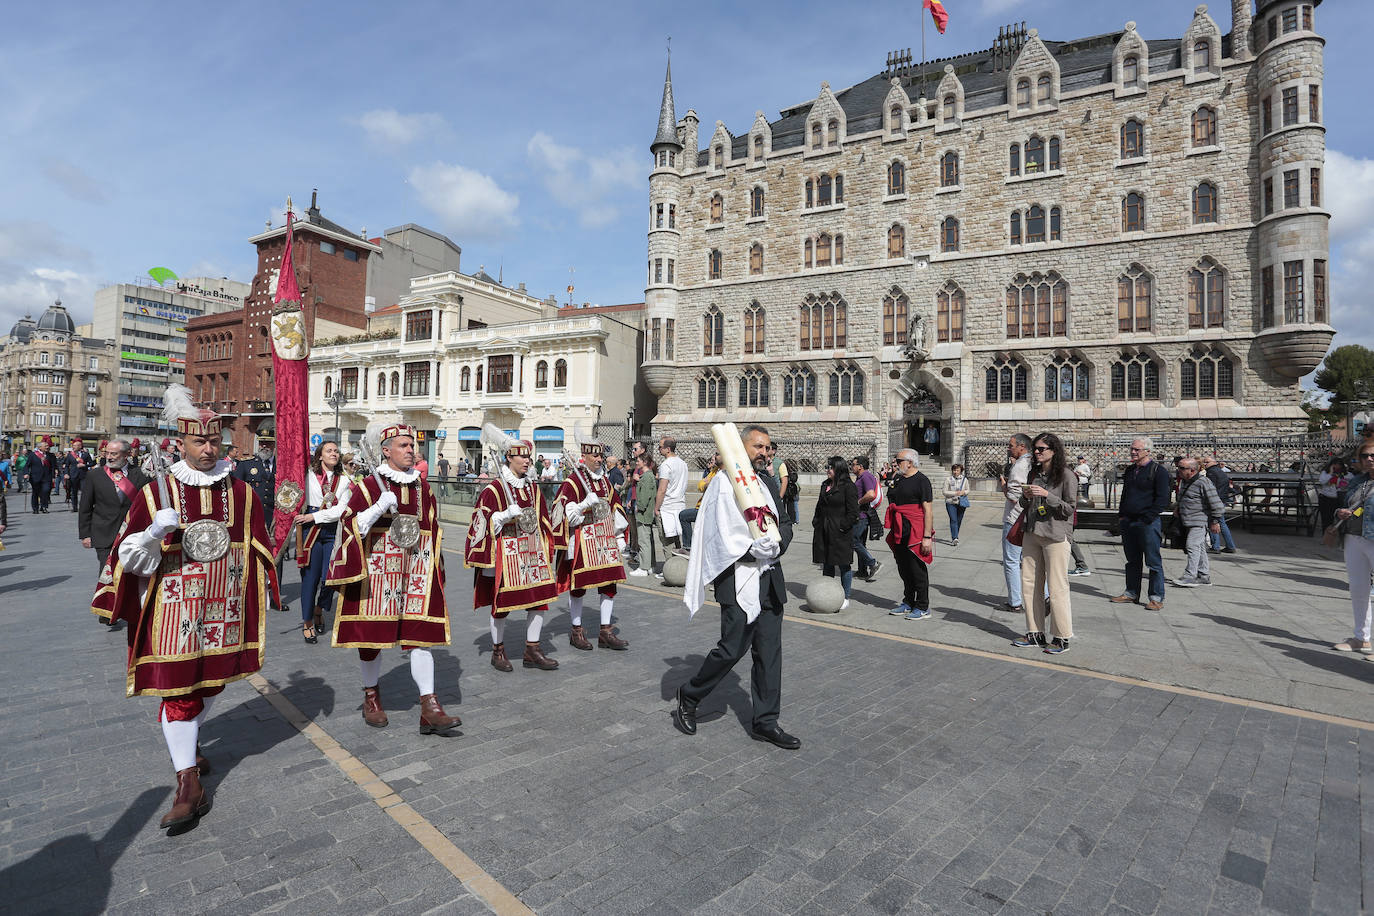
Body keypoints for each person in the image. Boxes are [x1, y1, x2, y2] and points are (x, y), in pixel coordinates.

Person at [90, 385, 279, 831]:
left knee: (211, 685)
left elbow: (259, 546)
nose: (209, 449)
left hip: (226, 610)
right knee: (179, 693)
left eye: (215, 441)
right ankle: (187, 784)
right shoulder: (157, 492)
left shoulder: (243, 492)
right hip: (175, 612)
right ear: (181, 443)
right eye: (199, 441)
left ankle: (187, 748)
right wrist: (154, 533)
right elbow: (127, 557)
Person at [328, 422, 461, 732]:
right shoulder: (368, 487)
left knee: (421, 636)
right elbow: (350, 528)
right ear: (385, 451)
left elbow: (432, 531)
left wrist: (436, 570)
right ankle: (371, 696)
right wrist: (376, 508)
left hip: (414, 572)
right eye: (404, 445)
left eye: (412, 445)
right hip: (378, 574)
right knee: (371, 637)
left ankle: (430, 705)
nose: (411, 450)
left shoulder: (423, 488)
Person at [676, 423, 799, 749]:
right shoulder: (721, 485)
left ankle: (766, 721)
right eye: (759, 446)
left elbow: (784, 523)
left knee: (769, 654)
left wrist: (775, 545)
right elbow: (718, 534)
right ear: (740, 448)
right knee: (732, 649)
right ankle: (690, 695)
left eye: (768, 447)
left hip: (770, 577)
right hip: (737, 577)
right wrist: (749, 550)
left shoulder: (767, 483)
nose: (765, 452)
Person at [463, 425, 561, 672]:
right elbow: (481, 521)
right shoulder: (494, 489)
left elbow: (543, 518)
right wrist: (504, 516)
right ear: (509, 457)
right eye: (523, 456)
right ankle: (498, 651)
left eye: (529, 456)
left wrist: (546, 546)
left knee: (539, 600)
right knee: (502, 604)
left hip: (531, 551)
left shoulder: (532, 487)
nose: (528, 461)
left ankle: (532, 648)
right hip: (506, 554)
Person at [553, 432, 630, 651]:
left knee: (609, 583)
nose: (599, 460)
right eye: (595, 457)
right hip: (582, 542)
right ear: (584, 456)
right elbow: (562, 512)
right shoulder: (573, 482)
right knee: (579, 586)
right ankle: (576, 630)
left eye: (600, 457)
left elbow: (615, 508)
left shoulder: (605, 482)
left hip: (604, 540)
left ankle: (605, 631)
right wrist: (583, 505)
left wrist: (619, 536)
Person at [1012, 433, 1078, 654]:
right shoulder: (1034, 473)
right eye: (1035, 449)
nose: (1037, 453)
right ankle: (1035, 632)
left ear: (1053, 450)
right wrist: (1027, 495)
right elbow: (1022, 503)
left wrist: (1047, 495)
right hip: (1032, 531)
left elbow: (1069, 509)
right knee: (1029, 583)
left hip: (1055, 535)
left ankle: (1061, 636)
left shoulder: (1067, 475)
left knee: (1057, 586)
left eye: (1041, 449)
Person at [78, 439, 149, 627]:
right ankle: (107, 609)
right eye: (107, 453)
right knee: (107, 570)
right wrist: (85, 534)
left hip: (133, 533)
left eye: (114, 454)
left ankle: (129, 607)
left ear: (127, 455)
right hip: (103, 532)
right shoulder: (95, 475)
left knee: (131, 572)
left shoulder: (141, 474)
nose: (108, 457)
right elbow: (85, 506)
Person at [292, 441, 352, 644]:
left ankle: (320, 607)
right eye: (329, 450)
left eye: (336, 451)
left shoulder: (343, 481)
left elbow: (341, 509)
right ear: (320, 455)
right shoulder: (306, 477)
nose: (334, 453)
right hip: (310, 531)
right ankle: (308, 621)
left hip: (331, 530)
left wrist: (315, 517)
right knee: (310, 578)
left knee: (330, 577)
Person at [1112, 436, 1172, 610]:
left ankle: (1156, 597)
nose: (1132, 452)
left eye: (1136, 449)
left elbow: (1162, 499)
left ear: (1147, 451)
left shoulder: (1158, 471)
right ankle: (1131, 593)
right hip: (1129, 522)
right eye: (1132, 449)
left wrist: (1148, 518)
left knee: (1153, 561)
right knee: (1132, 560)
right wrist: (1122, 515)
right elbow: (1125, 495)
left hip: (1147, 522)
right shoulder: (1131, 470)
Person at [1332, 445, 1374, 655]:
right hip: (1353, 537)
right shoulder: (1358, 481)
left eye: (1373, 455)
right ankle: (1361, 638)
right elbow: (1347, 503)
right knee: (1358, 589)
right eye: (1365, 455)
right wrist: (1340, 512)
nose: (1369, 459)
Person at [884, 449, 935, 619]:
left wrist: (927, 537)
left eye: (898, 461)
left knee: (916, 569)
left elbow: (928, 510)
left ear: (910, 463)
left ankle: (922, 606)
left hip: (915, 529)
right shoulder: (897, 478)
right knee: (903, 567)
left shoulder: (922, 481)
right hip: (900, 528)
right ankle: (908, 601)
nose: (895, 463)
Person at [813, 456, 859, 609]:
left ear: (838, 469)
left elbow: (853, 512)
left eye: (830, 467)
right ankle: (828, 592)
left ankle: (845, 596)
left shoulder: (848, 486)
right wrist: (816, 521)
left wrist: (843, 526)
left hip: (840, 532)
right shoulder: (825, 485)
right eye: (827, 467)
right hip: (824, 530)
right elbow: (820, 506)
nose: (828, 470)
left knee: (843, 564)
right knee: (827, 562)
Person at [1172, 458, 1224, 588]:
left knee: (1192, 546)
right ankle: (1204, 576)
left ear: (1193, 470)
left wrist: (1215, 521)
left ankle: (1190, 576)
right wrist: (1178, 507)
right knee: (1200, 548)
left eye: (1182, 468)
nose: (1179, 471)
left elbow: (1216, 503)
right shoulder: (1185, 481)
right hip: (1187, 520)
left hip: (1198, 520)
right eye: (1179, 467)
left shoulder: (1203, 482)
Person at [999, 434, 1032, 613]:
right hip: (1027, 519)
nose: (1008, 448)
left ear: (1021, 447)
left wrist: (1004, 486)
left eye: (1011, 445)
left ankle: (1015, 601)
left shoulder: (1019, 466)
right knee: (1030, 560)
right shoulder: (1032, 464)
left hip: (1014, 519)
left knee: (1011, 561)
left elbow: (1014, 496)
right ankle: (1044, 596)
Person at [655, 437, 689, 566]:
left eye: (660, 447)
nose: (659, 449)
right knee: (677, 540)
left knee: (667, 541)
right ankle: (680, 566)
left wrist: (656, 508)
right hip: (680, 505)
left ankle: (670, 568)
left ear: (668, 449)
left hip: (667, 506)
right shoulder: (683, 463)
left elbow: (662, 489)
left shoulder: (666, 465)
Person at [850, 456, 883, 582]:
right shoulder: (861, 477)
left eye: (853, 464)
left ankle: (873, 563)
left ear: (860, 466)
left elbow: (870, 494)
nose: (852, 467)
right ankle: (862, 571)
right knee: (860, 543)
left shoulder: (866, 476)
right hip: (860, 515)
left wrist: (858, 502)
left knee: (854, 541)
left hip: (862, 516)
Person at [231, 438, 276, 519]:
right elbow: (236, 489)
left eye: (268, 443)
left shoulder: (281, 465)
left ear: (274, 444)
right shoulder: (246, 464)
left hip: (275, 515)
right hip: (253, 513)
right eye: (261, 443)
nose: (264, 446)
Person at [629, 455, 658, 576]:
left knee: (643, 540)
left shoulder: (646, 477)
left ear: (645, 462)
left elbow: (645, 496)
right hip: (645, 513)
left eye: (638, 461)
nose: (636, 463)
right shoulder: (647, 476)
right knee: (647, 540)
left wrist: (639, 507)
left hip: (644, 514)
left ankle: (644, 567)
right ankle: (650, 565)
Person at [1203, 455, 1238, 553]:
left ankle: (1215, 546)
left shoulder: (1211, 473)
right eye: (1204, 462)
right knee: (1222, 523)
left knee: (1213, 522)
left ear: (1214, 462)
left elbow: (1211, 488)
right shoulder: (1220, 472)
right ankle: (1230, 546)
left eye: (1207, 462)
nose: (1205, 464)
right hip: (1222, 500)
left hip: (1215, 501)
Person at [1316, 457, 1350, 535]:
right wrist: (1331, 473)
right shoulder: (1326, 473)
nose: (1337, 466)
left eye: (1339, 465)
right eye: (1335, 464)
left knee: (1335, 518)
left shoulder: (1343, 474)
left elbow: (1345, 484)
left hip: (1337, 498)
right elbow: (1322, 481)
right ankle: (1325, 535)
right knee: (1326, 518)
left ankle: (1335, 534)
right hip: (1325, 498)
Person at [62, 437, 94, 513]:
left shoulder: (86, 454)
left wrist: (85, 465)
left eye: (76, 445)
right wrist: (66, 473)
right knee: (74, 492)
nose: (74, 446)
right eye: (74, 445)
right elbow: (66, 465)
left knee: (84, 492)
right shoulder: (70, 455)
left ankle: (84, 506)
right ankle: (75, 507)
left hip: (83, 475)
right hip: (73, 475)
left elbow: (92, 463)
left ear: (80, 446)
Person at [942, 463, 970, 546]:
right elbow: (944, 492)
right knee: (953, 519)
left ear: (961, 471)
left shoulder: (965, 480)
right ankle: (954, 538)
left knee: (959, 520)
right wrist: (955, 493)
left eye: (957, 470)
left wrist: (963, 492)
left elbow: (968, 490)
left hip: (961, 503)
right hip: (950, 502)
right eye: (954, 470)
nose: (955, 472)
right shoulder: (948, 479)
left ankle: (956, 534)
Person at [26, 439, 56, 513]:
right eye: (45, 446)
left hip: (47, 477)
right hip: (35, 477)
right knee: (35, 493)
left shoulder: (51, 455)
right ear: (40, 447)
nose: (47, 447)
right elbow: (27, 466)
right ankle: (35, 508)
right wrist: (26, 473)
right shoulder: (33, 455)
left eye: (47, 446)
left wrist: (53, 477)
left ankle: (44, 507)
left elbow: (53, 467)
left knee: (45, 491)